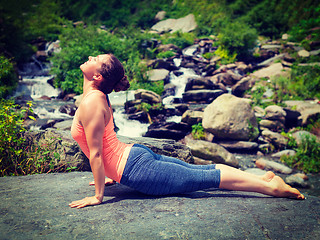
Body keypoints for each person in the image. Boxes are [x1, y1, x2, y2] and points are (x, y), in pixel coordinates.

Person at [69, 54, 305, 209]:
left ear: (97, 76)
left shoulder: (92, 102)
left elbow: (97, 153)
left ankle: (271, 187)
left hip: (137, 168)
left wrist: (98, 196)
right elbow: (104, 142)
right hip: (133, 158)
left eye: (96, 59)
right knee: (201, 171)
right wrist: (109, 174)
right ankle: (260, 177)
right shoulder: (96, 97)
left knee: (205, 177)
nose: (91, 57)